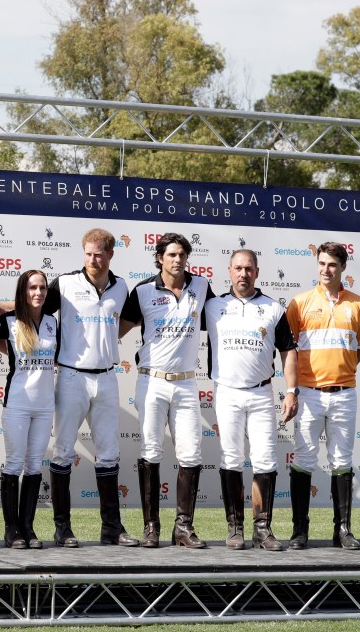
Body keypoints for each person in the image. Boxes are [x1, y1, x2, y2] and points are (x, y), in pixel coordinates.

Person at [119, 232, 213, 549]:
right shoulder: (143, 290)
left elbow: (221, 323)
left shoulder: (201, 286)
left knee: (191, 454)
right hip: (152, 381)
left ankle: (183, 528)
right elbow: (115, 330)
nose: (177, 260)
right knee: (150, 451)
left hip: (187, 382)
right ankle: (151, 528)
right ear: (160, 257)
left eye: (182, 255)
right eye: (171, 254)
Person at [48, 228, 138, 548]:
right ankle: (62, 529)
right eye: (87, 253)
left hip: (107, 377)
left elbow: (125, 322)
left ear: (110, 254)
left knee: (110, 454)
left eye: (98, 254)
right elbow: (36, 313)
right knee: (62, 452)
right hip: (72, 377)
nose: (92, 259)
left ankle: (111, 528)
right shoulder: (65, 282)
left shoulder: (122, 286)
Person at [204, 250, 299, 551]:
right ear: (229, 271)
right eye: (238, 268)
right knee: (231, 459)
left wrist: (293, 390)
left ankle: (262, 528)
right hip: (227, 392)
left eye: (249, 269)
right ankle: (234, 528)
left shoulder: (273, 308)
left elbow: (288, 351)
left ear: (257, 272)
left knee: (266, 461)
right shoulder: (212, 305)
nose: (243, 274)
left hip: (261, 392)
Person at [285, 242, 360, 550]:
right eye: (321, 263)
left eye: (332, 264)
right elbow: (289, 351)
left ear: (343, 267)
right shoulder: (300, 303)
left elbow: (358, 351)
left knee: (341, 460)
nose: (326, 269)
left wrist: (340, 372)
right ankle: (299, 531)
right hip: (308, 394)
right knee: (305, 459)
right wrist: (294, 389)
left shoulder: (358, 304)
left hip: (345, 393)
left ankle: (343, 530)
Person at [0, 270, 57, 549]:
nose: (37, 293)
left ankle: (28, 527)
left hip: (44, 406)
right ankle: (11, 530)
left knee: (35, 465)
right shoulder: (9, 322)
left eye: (42, 288)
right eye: (32, 288)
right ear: (22, 292)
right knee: (14, 464)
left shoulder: (52, 322)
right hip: (17, 404)